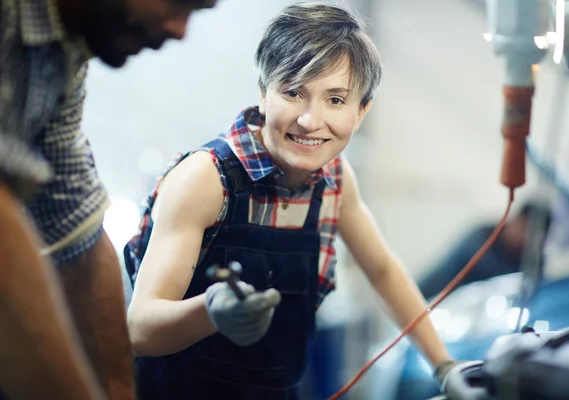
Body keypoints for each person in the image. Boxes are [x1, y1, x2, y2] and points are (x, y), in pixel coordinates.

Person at [124, 3, 467, 399]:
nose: (309, 120)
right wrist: (212, 311)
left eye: (336, 100)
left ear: (361, 112)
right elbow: (140, 329)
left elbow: (383, 271)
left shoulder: (337, 181)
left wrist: (444, 367)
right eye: (293, 92)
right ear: (264, 94)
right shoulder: (205, 179)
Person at [0, 0, 218, 399]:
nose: (180, 30)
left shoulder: (64, 54)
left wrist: (118, 390)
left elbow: (76, 229)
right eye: (178, 2)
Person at [418, 202, 552, 299]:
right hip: (430, 300)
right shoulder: (482, 238)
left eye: (534, 237)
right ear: (515, 221)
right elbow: (494, 275)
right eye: (524, 230)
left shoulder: (530, 260)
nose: (525, 238)